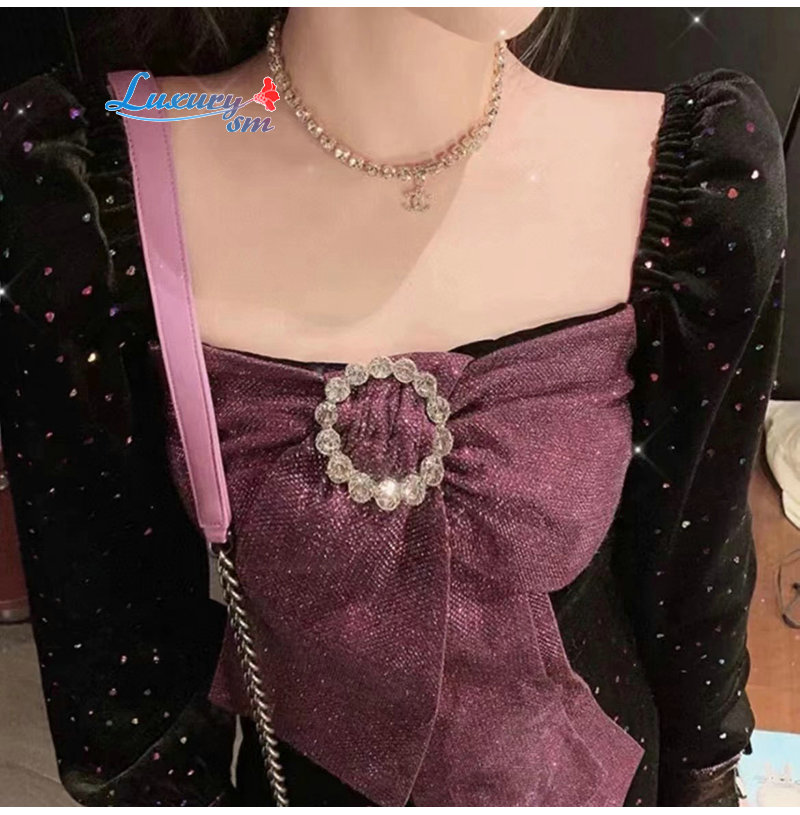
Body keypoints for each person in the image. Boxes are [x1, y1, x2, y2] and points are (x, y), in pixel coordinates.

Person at [0, 6, 788, 807]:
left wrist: (706, 785)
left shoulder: (696, 187)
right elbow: (124, 694)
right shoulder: (88, 198)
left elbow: (693, 579)